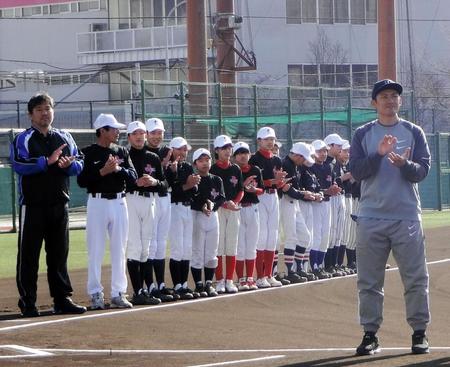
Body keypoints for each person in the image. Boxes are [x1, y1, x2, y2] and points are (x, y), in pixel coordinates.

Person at [350, 79, 431, 356]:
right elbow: (357, 171)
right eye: (383, 96)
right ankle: (370, 334)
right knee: (369, 281)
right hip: (371, 217)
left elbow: (422, 171)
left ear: (400, 101)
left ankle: (419, 333)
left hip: (406, 216)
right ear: (374, 102)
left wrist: (404, 164)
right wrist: (379, 154)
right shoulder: (363, 133)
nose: (389, 100)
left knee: (415, 279)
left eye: (394, 96)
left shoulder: (414, 131)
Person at [10, 92, 86, 317]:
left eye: (48, 108)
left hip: (59, 204)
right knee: (29, 256)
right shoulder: (23, 138)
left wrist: (68, 166)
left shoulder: (64, 136)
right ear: (31, 115)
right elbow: (19, 163)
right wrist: (47, 162)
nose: (45, 113)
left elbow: (79, 162)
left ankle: (62, 299)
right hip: (33, 205)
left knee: (59, 255)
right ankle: (28, 302)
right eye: (40, 109)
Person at [77, 113, 138, 309]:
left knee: (120, 249)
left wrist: (118, 169)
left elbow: (133, 177)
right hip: (97, 202)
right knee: (95, 249)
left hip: (120, 202)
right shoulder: (88, 152)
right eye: (113, 128)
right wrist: (102, 171)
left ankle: (118, 292)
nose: (117, 131)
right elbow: (81, 180)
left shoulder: (121, 151)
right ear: (102, 131)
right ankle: (95, 293)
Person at [125, 121, 165, 306]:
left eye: (142, 133)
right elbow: (120, 181)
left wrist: (154, 182)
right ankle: (137, 291)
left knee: (146, 247)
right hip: (131, 199)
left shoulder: (152, 157)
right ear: (129, 137)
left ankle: (145, 290)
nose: (139, 136)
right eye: (135, 133)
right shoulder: (125, 155)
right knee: (134, 245)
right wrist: (136, 183)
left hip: (150, 201)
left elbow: (164, 185)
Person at [249, 127, 288, 288]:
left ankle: (269, 274)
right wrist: (273, 181)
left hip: (274, 197)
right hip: (261, 196)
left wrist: (281, 182)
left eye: (272, 138)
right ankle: (259, 276)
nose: (270, 142)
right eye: (266, 139)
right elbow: (255, 184)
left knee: (273, 235)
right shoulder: (255, 160)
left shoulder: (277, 159)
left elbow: (278, 183)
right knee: (262, 235)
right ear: (259, 141)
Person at [144, 118, 175, 301]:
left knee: (162, 242)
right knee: (151, 243)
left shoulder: (166, 152)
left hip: (165, 197)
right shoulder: (144, 152)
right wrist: (162, 167)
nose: (157, 136)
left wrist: (171, 169)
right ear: (147, 134)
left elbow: (171, 181)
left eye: (160, 133)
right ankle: (150, 285)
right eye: (153, 132)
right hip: (150, 198)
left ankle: (161, 284)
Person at [166, 136, 200, 300]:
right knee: (177, 247)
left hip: (187, 207)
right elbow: (174, 190)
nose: (183, 152)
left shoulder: (186, 166)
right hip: (174, 207)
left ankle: (184, 284)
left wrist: (190, 185)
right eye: (179, 149)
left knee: (187, 248)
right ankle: (177, 284)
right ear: (172, 150)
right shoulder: (168, 167)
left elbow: (194, 190)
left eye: (185, 149)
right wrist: (187, 185)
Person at [190, 148, 226, 297]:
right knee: (197, 251)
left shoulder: (216, 179)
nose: (205, 163)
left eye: (207, 160)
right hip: (197, 216)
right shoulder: (193, 178)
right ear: (195, 163)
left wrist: (213, 205)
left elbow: (222, 197)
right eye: (201, 160)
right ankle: (198, 284)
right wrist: (202, 206)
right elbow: (191, 198)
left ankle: (208, 284)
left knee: (212, 252)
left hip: (212, 217)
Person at [210, 135, 243, 294]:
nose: (228, 151)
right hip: (219, 208)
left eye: (229, 148)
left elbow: (241, 189)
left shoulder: (235, 168)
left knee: (232, 243)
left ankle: (229, 279)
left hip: (234, 208)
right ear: (216, 150)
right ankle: (219, 280)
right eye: (224, 148)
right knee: (218, 245)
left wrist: (235, 203)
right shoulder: (213, 169)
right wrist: (224, 204)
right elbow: (211, 193)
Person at [279, 142, 317, 284]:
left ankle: (298, 267)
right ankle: (290, 271)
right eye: (302, 157)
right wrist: (303, 195)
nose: (303, 161)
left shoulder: (294, 165)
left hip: (294, 203)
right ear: (296, 154)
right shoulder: (286, 164)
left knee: (305, 236)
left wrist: (303, 192)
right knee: (291, 236)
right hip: (286, 202)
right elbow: (286, 188)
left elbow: (294, 187)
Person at [232, 141, 264, 291]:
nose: (243, 156)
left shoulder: (255, 169)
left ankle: (250, 277)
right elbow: (231, 191)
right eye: (239, 153)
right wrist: (243, 186)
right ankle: (241, 279)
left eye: (245, 152)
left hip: (253, 208)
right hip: (238, 208)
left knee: (252, 244)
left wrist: (254, 189)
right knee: (240, 245)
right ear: (235, 156)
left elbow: (262, 190)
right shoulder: (233, 170)